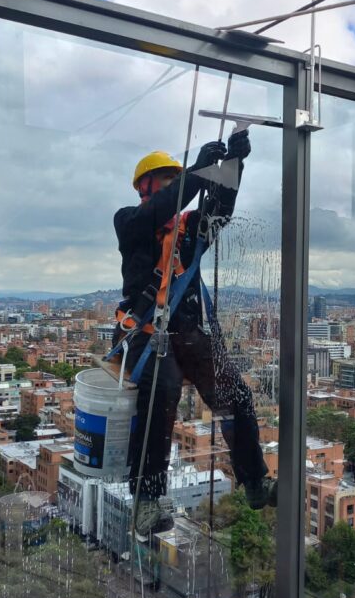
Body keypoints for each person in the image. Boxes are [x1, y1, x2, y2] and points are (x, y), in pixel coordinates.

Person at [113, 132, 274, 542]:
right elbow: (164, 207)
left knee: (235, 396)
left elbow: (219, 209)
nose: (171, 187)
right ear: (145, 188)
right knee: (162, 391)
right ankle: (147, 501)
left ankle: (255, 483)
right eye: (165, 180)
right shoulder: (130, 222)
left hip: (190, 330)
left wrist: (234, 164)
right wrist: (198, 173)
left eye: (174, 179)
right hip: (147, 332)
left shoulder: (188, 229)